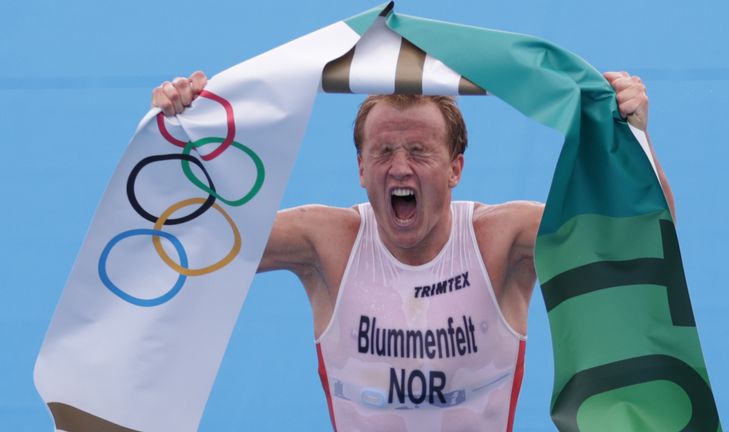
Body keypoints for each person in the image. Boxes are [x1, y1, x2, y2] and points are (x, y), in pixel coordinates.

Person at [152, 70, 674, 431]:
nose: (399, 167)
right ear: (360, 169)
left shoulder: (501, 240)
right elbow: (195, 239)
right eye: (382, 151)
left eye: (420, 151)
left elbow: (641, 243)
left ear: (455, 169)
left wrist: (633, 139)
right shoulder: (326, 243)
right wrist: (178, 135)